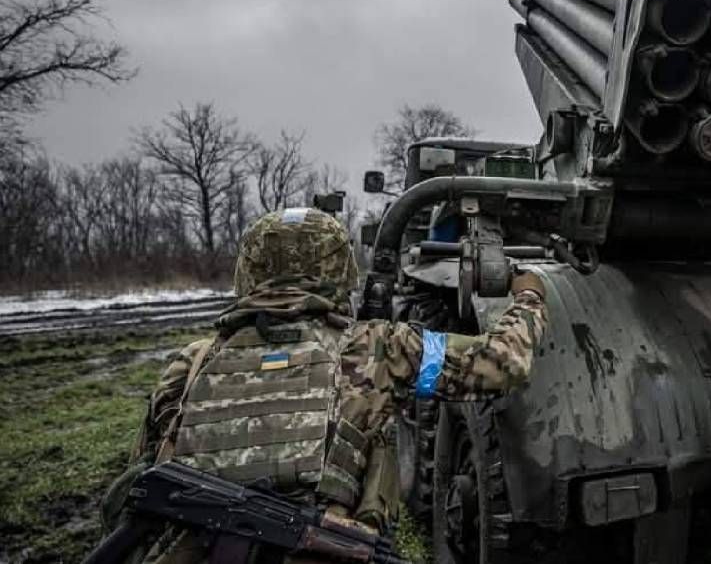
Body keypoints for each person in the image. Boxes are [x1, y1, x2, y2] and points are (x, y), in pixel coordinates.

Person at [100, 206, 547, 562]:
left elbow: (134, 487)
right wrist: (528, 294)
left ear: (249, 272)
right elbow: (502, 363)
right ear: (339, 272)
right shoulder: (377, 350)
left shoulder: (190, 363)